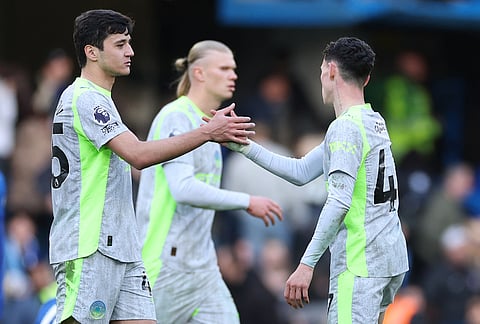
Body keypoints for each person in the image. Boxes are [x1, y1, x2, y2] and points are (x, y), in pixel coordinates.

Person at [49, 10, 255, 324]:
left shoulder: (102, 100)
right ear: (92, 52)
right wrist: (207, 132)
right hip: (88, 246)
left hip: (124, 248)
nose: (130, 52)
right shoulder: (85, 99)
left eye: (129, 43)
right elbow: (139, 156)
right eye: (120, 45)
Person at [225, 36, 409, 323]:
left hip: (360, 262)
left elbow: (338, 201)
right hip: (389, 259)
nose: (321, 77)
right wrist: (245, 146)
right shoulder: (372, 121)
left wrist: (306, 265)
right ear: (367, 78)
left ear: (331, 71)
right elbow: (300, 172)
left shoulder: (345, 128)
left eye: (322, 70)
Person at [135, 40, 283, 324]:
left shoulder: (213, 127)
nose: (233, 75)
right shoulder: (176, 116)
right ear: (199, 73)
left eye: (234, 69)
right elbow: (183, 189)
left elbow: (208, 199)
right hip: (167, 264)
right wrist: (247, 201)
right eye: (225, 68)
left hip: (203, 266)